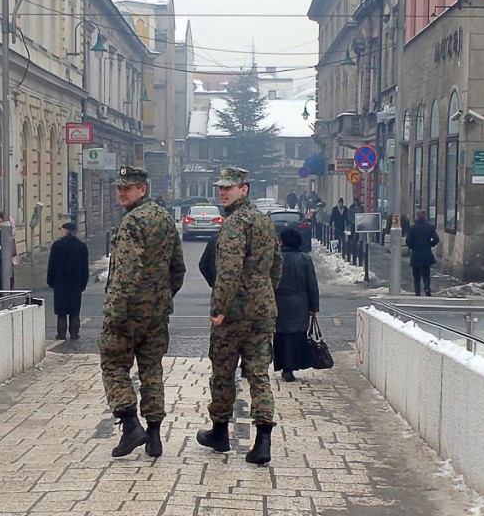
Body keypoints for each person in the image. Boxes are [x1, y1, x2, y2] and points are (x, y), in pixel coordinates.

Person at [197, 166, 282, 466]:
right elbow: (277, 265)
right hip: (262, 312)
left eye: (229, 187)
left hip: (234, 314)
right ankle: (262, 441)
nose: (223, 191)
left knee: (223, 373)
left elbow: (228, 271)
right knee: (259, 374)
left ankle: (220, 431)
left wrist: (219, 308)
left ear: (244, 189)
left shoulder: (234, 224)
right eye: (220, 187)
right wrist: (265, 295)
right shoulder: (264, 221)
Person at [99, 165, 186, 459]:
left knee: (113, 365)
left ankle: (129, 425)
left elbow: (125, 273)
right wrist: (162, 297)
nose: (121, 192)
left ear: (142, 189)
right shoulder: (163, 218)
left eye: (128, 187)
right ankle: (155, 437)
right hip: (156, 313)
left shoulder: (132, 223)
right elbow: (178, 268)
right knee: (152, 371)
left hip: (127, 313)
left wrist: (115, 313)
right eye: (119, 187)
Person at [273, 228, 320, 382]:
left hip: (279, 303)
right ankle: (292, 367)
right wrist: (314, 307)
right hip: (300, 304)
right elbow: (312, 285)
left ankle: (284, 367)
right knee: (297, 336)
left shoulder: (276, 259)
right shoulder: (305, 259)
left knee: (281, 336)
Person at [46, 221, 89, 341]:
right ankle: (74, 334)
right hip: (76, 283)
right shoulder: (81, 246)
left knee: (61, 311)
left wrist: (51, 281)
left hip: (60, 283)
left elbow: (52, 265)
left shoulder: (57, 245)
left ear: (65, 230)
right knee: (75, 311)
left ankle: (61, 334)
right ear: (75, 231)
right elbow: (85, 268)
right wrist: (84, 283)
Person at [406, 210, 440, 297]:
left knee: (416, 274)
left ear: (417, 217)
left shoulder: (412, 228)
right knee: (426, 273)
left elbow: (408, 241)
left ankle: (417, 291)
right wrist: (430, 244)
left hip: (416, 254)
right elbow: (436, 239)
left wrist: (412, 247)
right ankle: (427, 288)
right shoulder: (430, 227)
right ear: (425, 217)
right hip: (426, 253)